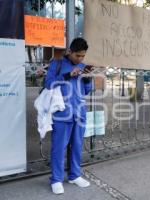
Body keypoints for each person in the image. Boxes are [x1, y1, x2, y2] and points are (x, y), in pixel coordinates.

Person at [45, 38, 93, 194]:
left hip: (79, 112)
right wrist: (66, 75)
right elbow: (48, 84)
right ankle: (56, 179)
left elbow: (86, 90)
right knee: (59, 147)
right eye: (77, 55)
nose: (80, 59)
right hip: (62, 113)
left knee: (77, 146)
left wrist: (88, 79)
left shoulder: (83, 66)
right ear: (70, 52)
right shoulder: (57, 64)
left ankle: (74, 175)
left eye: (83, 56)